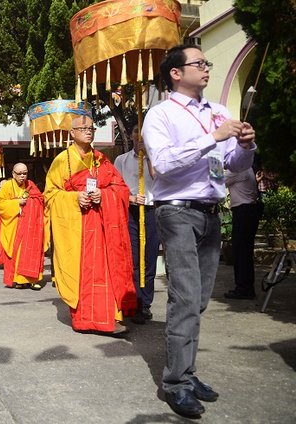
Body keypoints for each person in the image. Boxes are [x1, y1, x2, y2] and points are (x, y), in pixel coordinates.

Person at [142, 44, 256, 418]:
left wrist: (244, 145)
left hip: (210, 211)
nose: (207, 68)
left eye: (208, 63)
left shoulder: (218, 112)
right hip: (177, 212)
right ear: (176, 73)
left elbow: (234, 166)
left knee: (200, 299)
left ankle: (188, 373)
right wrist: (213, 136)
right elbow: (163, 164)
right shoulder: (160, 115)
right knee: (186, 297)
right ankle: (175, 383)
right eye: (199, 63)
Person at [44, 112, 136, 336]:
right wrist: (75, 198)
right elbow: (50, 195)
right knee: (82, 273)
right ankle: (84, 320)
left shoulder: (101, 160)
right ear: (71, 133)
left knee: (105, 271)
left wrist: (104, 196)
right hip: (77, 228)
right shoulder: (61, 161)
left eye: (91, 128)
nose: (88, 131)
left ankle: (108, 319)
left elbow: (121, 189)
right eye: (82, 128)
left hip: (103, 226)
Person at [114, 126, 160, 324]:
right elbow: (115, 188)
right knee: (133, 259)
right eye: (135, 130)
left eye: (144, 131)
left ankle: (146, 304)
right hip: (131, 212)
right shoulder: (121, 160)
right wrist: (130, 197)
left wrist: (149, 155)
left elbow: (161, 179)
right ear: (131, 135)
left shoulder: (156, 159)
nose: (139, 135)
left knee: (149, 259)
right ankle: (135, 301)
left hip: (152, 211)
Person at [0, 164, 45, 289]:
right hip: (14, 225)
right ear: (13, 174)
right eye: (19, 173)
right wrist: (17, 203)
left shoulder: (31, 185)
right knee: (17, 253)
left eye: (25, 173)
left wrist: (32, 201)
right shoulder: (7, 186)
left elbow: (40, 199)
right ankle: (20, 280)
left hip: (29, 226)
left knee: (31, 250)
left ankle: (32, 279)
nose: (22, 176)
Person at [224, 168, 260, 299]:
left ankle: (243, 288)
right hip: (248, 210)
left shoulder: (238, 170)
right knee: (244, 251)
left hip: (243, 211)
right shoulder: (248, 168)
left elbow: (218, 180)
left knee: (241, 251)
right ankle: (245, 287)